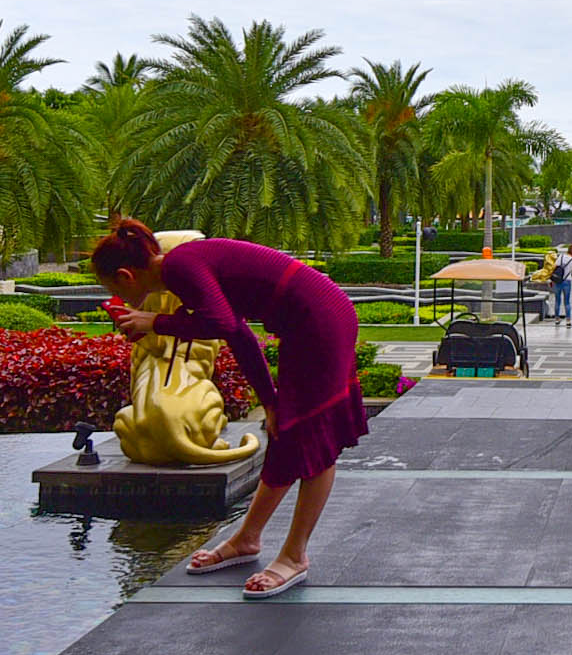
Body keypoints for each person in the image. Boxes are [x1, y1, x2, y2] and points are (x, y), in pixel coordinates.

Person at [91, 219, 368, 599]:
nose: (118, 300)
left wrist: (155, 321)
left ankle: (294, 555)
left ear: (126, 275)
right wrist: (269, 402)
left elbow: (218, 323)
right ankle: (246, 539)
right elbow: (237, 334)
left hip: (319, 323)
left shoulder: (180, 267)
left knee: (316, 441)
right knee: (286, 434)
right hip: (313, 323)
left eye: (113, 290)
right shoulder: (181, 272)